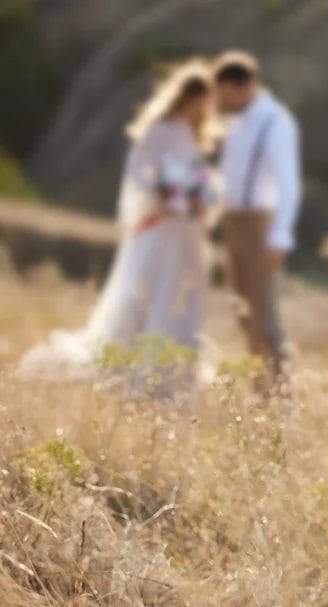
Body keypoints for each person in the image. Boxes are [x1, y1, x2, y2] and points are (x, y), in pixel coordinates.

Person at [18, 60, 217, 399]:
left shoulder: (191, 137)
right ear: (182, 96)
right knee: (146, 295)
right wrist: (166, 197)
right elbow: (142, 176)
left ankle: (172, 378)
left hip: (184, 233)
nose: (197, 107)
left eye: (203, 102)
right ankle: (136, 371)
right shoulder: (158, 130)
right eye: (192, 99)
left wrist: (199, 200)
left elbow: (199, 181)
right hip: (160, 228)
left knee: (180, 299)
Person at [212, 50, 301, 391]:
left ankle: (279, 395)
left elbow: (287, 184)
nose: (221, 101)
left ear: (242, 86)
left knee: (265, 315)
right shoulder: (238, 124)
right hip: (234, 222)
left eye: (224, 93)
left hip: (260, 226)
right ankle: (259, 387)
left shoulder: (275, 122)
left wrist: (279, 237)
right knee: (243, 312)